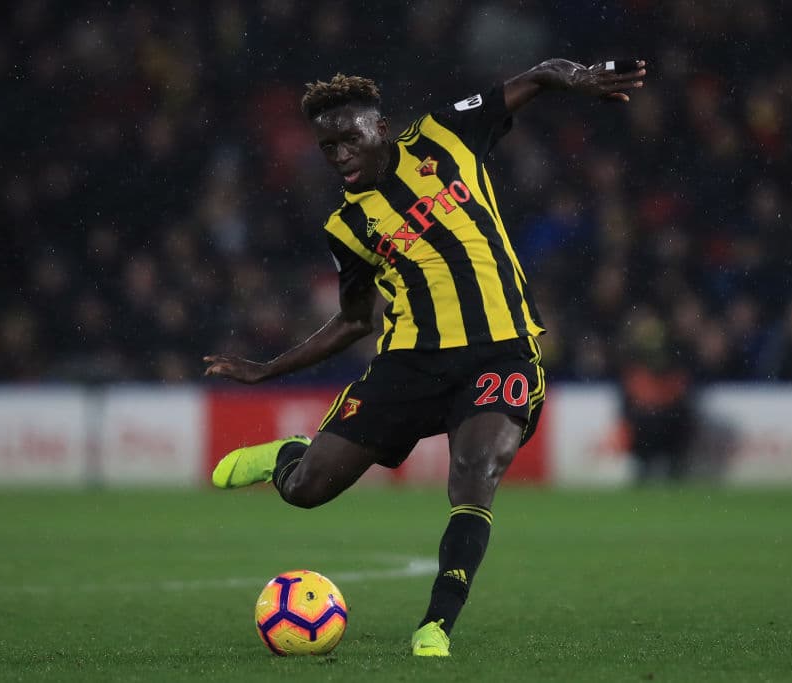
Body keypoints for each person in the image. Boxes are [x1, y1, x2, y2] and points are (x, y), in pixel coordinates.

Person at [203, 58, 647, 656]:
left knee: (474, 475)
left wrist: (581, 79)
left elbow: (538, 76)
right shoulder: (348, 224)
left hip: (502, 351)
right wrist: (267, 369)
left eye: (348, 138)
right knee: (307, 490)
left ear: (380, 127)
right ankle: (288, 457)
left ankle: (435, 624)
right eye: (326, 145)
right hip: (409, 363)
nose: (337, 154)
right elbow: (357, 320)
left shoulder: (445, 135)